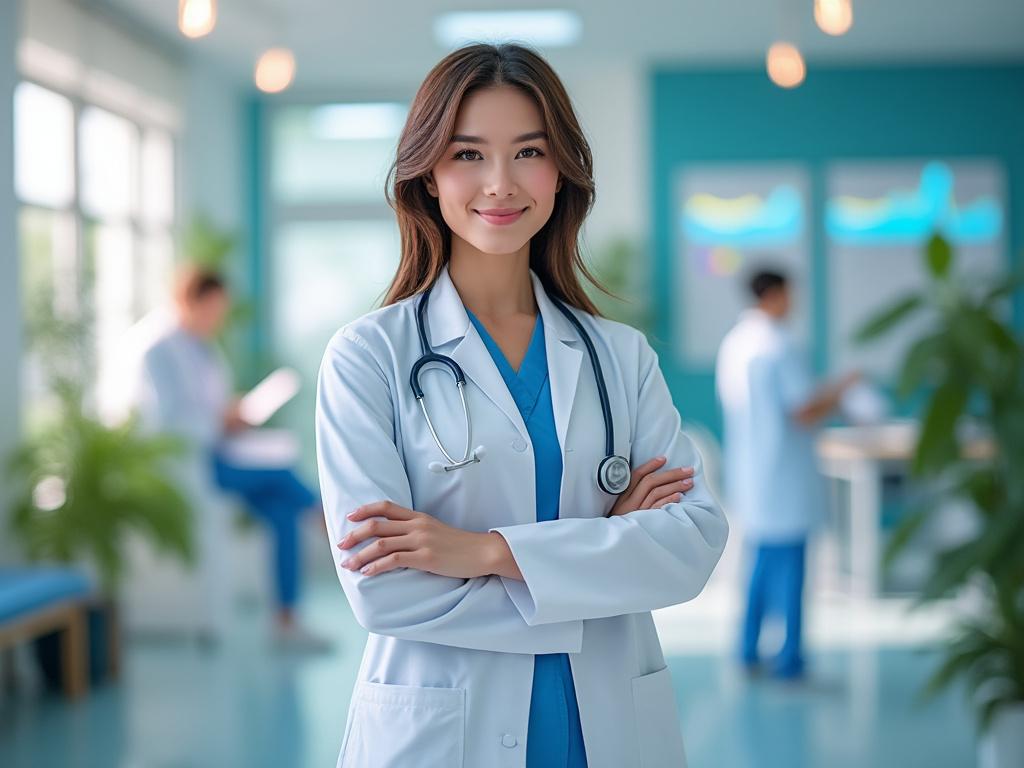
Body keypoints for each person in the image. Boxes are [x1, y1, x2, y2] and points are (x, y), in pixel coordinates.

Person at [315, 43, 728, 768]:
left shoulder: (619, 358)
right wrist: (600, 557)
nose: (500, 184)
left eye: (528, 151)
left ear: (562, 168)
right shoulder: (369, 357)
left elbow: (690, 544)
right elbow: (385, 595)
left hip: (602, 731)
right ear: (428, 174)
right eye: (469, 154)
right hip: (440, 735)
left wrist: (483, 552)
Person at [137, 265, 329, 652]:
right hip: (194, 463)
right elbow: (165, 425)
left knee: (282, 514)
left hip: (221, 453)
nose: (217, 319)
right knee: (281, 475)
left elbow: (208, 404)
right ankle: (329, 519)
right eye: (213, 309)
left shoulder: (204, 348)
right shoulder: (158, 351)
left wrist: (233, 412)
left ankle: (286, 622)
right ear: (191, 301)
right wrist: (218, 421)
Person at [715, 269, 859, 680]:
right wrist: (843, 389)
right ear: (776, 295)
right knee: (791, 568)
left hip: (753, 471)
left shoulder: (735, 343)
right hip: (783, 475)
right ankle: (789, 657)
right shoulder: (778, 344)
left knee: (759, 564)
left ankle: (747, 650)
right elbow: (803, 411)